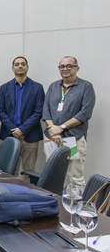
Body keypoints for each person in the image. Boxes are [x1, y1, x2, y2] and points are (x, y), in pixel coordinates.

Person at [42, 56, 95, 188]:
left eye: (68, 66)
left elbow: (85, 113)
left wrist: (61, 128)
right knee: (52, 175)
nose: (65, 69)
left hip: (74, 138)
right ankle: (55, 206)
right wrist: (54, 130)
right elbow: (46, 110)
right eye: (62, 66)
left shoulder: (86, 87)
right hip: (52, 138)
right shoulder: (53, 86)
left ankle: (75, 208)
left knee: (75, 178)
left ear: (77, 68)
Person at [0, 56, 45, 180]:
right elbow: (0, 111)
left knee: (28, 172)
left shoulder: (37, 87)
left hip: (30, 136)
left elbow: (38, 112)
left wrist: (22, 130)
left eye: (23, 64)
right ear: (12, 68)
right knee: (9, 171)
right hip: (10, 135)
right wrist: (14, 130)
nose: (20, 66)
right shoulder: (4, 87)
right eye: (17, 64)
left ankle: (26, 196)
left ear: (27, 67)